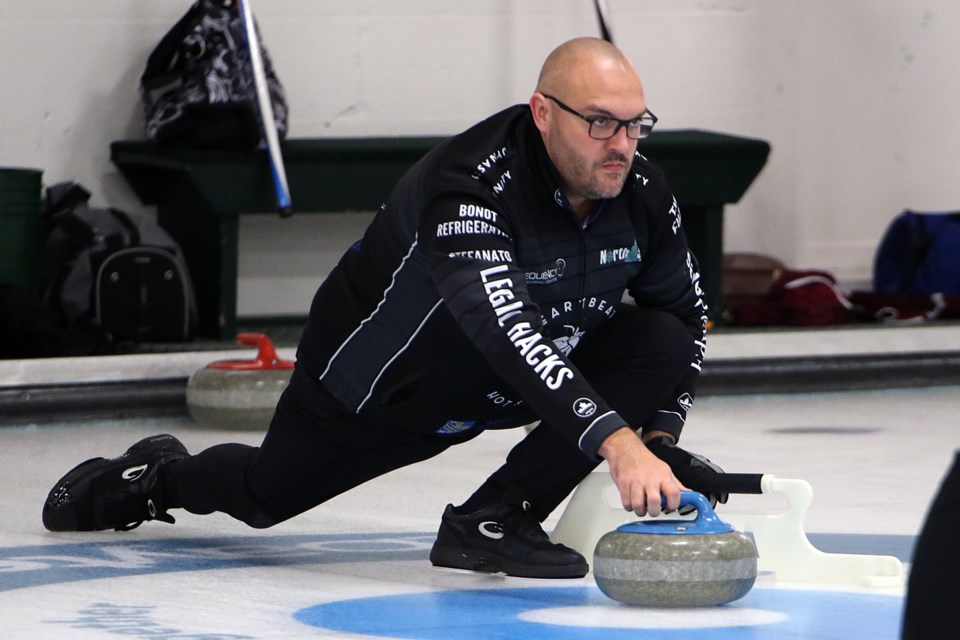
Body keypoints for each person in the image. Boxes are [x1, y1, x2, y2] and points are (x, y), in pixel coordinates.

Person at [43, 37, 727, 579]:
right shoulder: (470, 185)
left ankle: (492, 519)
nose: (622, 146)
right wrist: (619, 444)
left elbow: (687, 320)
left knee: (657, 338)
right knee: (265, 495)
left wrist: (660, 440)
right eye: (601, 123)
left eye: (635, 125)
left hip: (515, 380)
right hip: (384, 386)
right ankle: (155, 478)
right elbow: (505, 331)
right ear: (543, 112)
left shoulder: (639, 188)